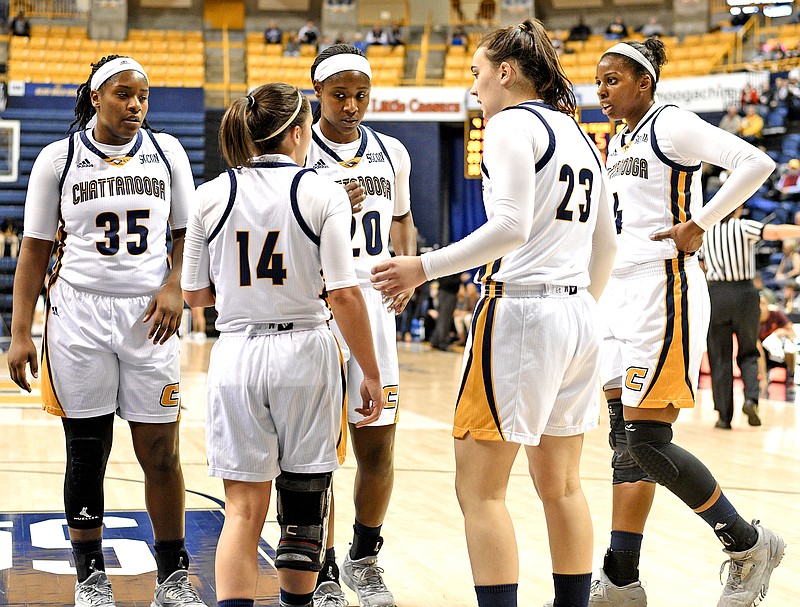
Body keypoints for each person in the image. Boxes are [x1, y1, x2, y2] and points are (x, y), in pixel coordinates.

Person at [372, 19, 617, 607]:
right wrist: (578, 306)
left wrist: (422, 268)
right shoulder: (582, 134)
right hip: (579, 314)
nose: (473, 87)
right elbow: (606, 243)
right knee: (562, 488)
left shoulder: (509, 125)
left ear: (506, 72)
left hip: (523, 314)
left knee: (479, 489)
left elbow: (510, 227)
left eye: (477, 73)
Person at [6, 55, 206, 607]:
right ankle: (90, 575)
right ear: (96, 97)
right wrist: (21, 332)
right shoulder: (58, 158)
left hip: (150, 318)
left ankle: (172, 575)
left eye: (143, 95)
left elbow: (189, 235)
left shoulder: (168, 153)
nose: (136, 105)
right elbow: (34, 250)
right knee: (86, 450)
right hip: (79, 317)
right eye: (123, 94)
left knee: (161, 451)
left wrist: (173, 287)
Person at [591, 38, 784, 606]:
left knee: (647, 439)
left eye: (613, 80)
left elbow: (757, 162)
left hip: (664, 290)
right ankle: (622, 576)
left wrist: (700, 221)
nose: (601, 91)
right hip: (618, 298)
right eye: (599, 82)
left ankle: (748, 544)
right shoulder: (618, 139)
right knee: (622, 445)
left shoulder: (669, 124)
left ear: (644, 83)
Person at [181, 82, 385, 607]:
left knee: (243, 515)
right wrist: (371, 370)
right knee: (302, 513)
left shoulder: (210, 194)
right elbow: (343, 293)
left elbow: (195, 294)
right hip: (305, 352)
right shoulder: (322, 192)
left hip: (238, 354)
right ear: (298, 133)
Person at [305, 44, 417, 607]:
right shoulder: (299, 152)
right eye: (339, 95)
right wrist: (326, 204)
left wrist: (410, 271)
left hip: (374, 307)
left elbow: (403, 223)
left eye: (360, 95)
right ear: (317, 95)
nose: (351, 106)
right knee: (318, 449)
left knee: (379, 442)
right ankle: (321, 568)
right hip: (319, 309)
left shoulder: (391, 152)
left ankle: (364, 556)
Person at [702, 206, 800, 428]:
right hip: (744, 295)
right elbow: (774, 232)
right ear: (737, 207)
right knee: (748, 351)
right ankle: (750, 399)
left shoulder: (706, 231)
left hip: (716, 294)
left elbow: (700, 265)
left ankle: (724, 417)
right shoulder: (743, 226)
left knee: (720, 358)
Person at [758, 293, 796, 396]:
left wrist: (782, 332)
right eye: (758, 304)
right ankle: (764, 379)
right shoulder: (754, 320)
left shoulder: (777, 314)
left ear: (768, 304)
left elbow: (793, 334)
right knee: (756, 349)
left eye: (763, 303)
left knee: (790, 347)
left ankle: (791, 376)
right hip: (764, 354)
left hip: (781, 351)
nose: (761, 307)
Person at [773, 238, 800, 310]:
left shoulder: (795, 256)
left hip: (792, 279)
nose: (783, 250)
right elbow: (780, 269)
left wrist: (785, 276)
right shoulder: (785, 257)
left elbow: (796, 270)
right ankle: (776, 301)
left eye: (785, 248)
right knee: (773, 281)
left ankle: (784, 302)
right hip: (784, 278)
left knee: (783, 282)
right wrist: (778, 275)